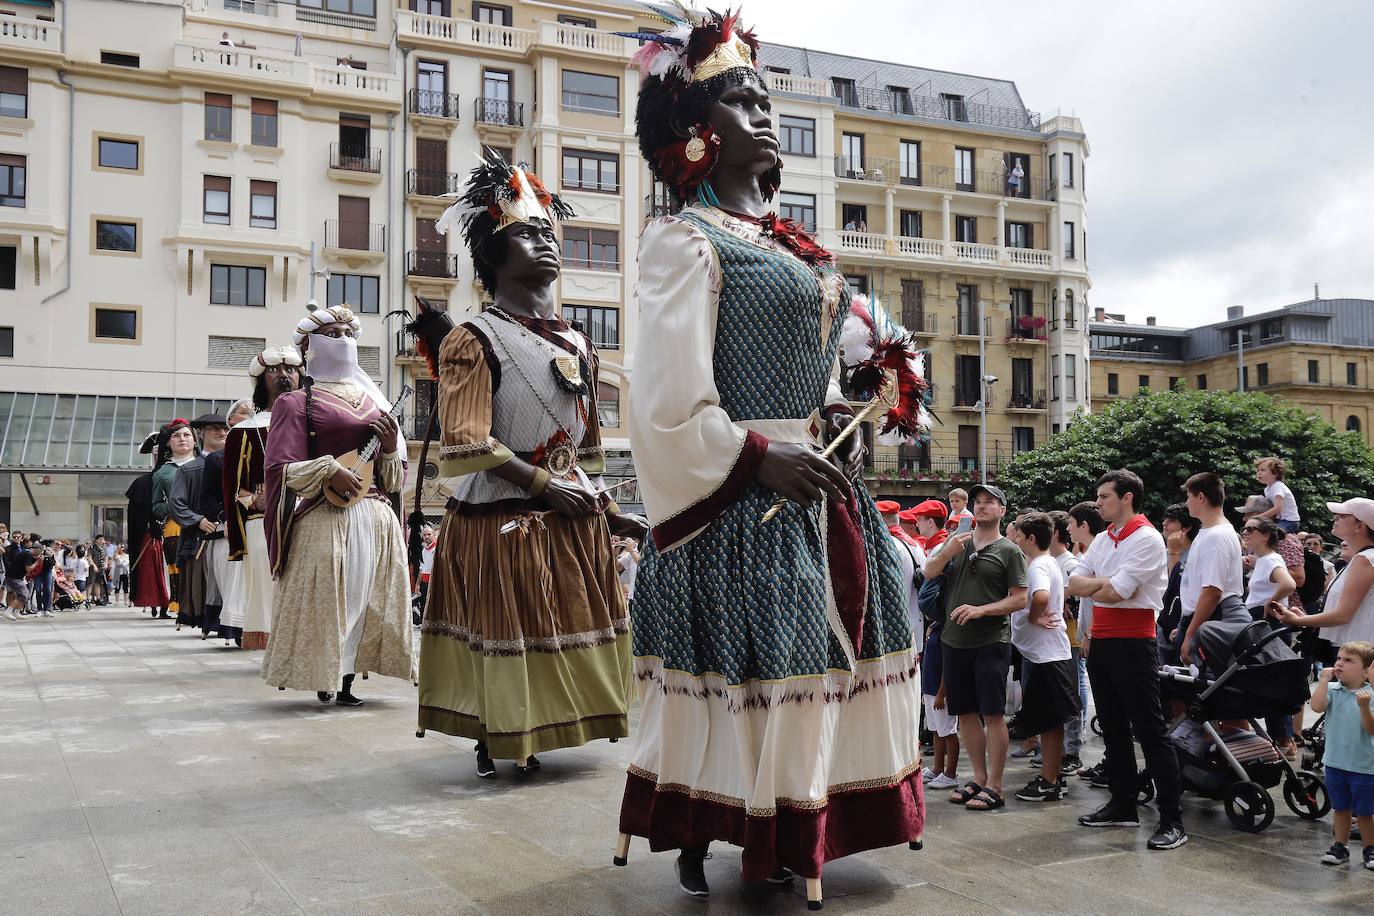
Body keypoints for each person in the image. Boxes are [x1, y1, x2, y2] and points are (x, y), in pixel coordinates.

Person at [614, 13, 924, 900]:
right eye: (743, 101)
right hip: (745, 494)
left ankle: (808, 822)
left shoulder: (796, 248)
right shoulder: (686, 241)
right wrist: (756, 458)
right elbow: (667, 390)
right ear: (700, 134)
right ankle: (726, 826)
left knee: (835, 659)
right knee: (760, 663)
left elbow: (827, 359)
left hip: (820, 486)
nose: (764, 113)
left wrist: (848, 403)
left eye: (763, 97)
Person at [418, 152, 640, 778]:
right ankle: (499, 732)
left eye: (548, 233)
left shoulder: (580, 343)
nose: (545, 244)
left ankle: (549, 723)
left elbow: (587, 451)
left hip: (571, 525)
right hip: (501, 523)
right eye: (525, 234)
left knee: (555, 632)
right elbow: (465, 443)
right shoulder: (472, 337)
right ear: (491, 252)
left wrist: (613, 512)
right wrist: (544, 485)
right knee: (506, 634)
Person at [262, 306, 416, 704]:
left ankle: (348, 679)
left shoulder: (373, 401)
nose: (344, 338)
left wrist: (386, 448)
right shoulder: (295, 403)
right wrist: (328, 469)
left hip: (376, 515)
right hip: (325, 515)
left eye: (349, 331)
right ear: (309, 344)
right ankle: (324, 675)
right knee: (332, 599)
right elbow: (280, 467)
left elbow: (393, 475)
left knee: (367, 598)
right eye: (332, 332)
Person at [1068, 469, 1186, 850]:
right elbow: (1075, 584)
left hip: (1134, 642)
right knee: (1114, 728)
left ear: (1127, 498)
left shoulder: (1148, 538)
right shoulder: (1104, 538)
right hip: (1102, 641)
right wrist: (1102, 585)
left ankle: (1172, 818)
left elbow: (1117, 592)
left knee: (1149, 729)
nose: (1098, 503)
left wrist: (1099, 585)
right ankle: (1123, 803)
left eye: (1105, 497)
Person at [924, 483, 1028, 812]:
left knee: (992, 714)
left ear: (1002, 511)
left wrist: (981, 609)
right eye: (978, 502)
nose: (982, 507)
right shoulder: (957, 543)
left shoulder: (1009, 551)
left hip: (990, 641)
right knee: (965, 712)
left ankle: (996, 784)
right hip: (953, 640)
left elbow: (1020, 598)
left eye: (990, 502)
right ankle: (979, 777)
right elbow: (928, 572)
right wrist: (948, 552)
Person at [223, 345, 304, 649]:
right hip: (262, 520)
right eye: (274, 370)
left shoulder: (314, 422)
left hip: (311, 514)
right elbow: (233, 486)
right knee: (269, 587)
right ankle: (277, 648)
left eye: (290, 369)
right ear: (261, 380)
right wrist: (252, 500)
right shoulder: (243, 432)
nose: (283, 375)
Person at [1007, 512, 1077, 801]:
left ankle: (1049, 780)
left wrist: (1034, 618)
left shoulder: (1038, 566)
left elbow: (1041, 597)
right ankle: (1053, 777)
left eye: (1019, 535)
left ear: (1031, 538)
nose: (1016, 539)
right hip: (1046, 653)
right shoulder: (1047, 563)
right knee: (1051, 721)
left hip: (1046, 656)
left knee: (1049, 721)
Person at [1278, 498, 1374, 651]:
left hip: (1358, 653)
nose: (1335, 518)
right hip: (1355, 651)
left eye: (1343, 516)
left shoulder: (1365, 559)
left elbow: (1342, 615)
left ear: (1360, 526)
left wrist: (1301, 619)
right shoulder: (1362, 558)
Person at [1310, 642, 1374, 869]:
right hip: (1335, 762)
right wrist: (1324, 681)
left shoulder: (1370, 694)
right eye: (1339, 658)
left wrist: (1365, 707)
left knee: (1365, 813)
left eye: (1349, 660)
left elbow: (1371, 729)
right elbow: (1316, 707)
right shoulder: (1333, 690)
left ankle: (1370, 848)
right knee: (1341, 808)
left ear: (1365, 670)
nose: (1339, 663)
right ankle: (1340, 846)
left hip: (1364, 765)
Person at [1176, 472, 1245, 665]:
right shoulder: (1209, 531)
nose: (1187, 503)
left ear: (1201, 497)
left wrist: (1190, 634)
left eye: (1188, 497)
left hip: (1215, 617)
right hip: (1203, 618)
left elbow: (1212, 591)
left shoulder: (1217, 535)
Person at [198, 400, 254, 642]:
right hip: (229, 528)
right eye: (244, 412)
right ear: (231, 420)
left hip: (258, 522)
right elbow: (207, 497)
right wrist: (226, 518)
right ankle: (236, 627)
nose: (250, 414)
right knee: (231, 578)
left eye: (254, 411)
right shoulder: (217, 459)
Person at [169, 413, 230, 631]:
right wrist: (198, 520)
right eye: (215, 428)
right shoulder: (189, 469)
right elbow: (176, 504)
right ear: (201, 433)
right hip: (201, 539)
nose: (221, 432)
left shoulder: (237, 464)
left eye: (225, 428)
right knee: (205, 586)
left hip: (233, 534)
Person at [1049, 509, 1087, 775]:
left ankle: (1072, 751)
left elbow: (1076, 596)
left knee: (1071, 693)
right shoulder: (1053, 561)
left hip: (1069, 638)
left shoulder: (1068, 562)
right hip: (1055, 638)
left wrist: (1062, 596)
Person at [150, 420, 197, 619]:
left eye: (187, 435)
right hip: (175, 527)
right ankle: (180, 605)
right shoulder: (162, 472)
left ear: (195, 440)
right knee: (177, 569)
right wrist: (176, 506)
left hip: (206, 524)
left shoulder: (207, 463)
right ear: (168, 443)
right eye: (176, 436)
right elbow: (156, 506)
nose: (182, 439)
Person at [1255, 456, 1301, 534]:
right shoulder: (1267, 489)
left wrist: (1259, 517)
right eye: (1258, 470)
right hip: (1279, 520)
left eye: (1263, 470)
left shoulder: (1278, 487)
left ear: (1275, 473)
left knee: (1273, 533)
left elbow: (1277, 508)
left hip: (1289, 521)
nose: (1259, 473)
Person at [4, 533, 34, 621]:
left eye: (18, 537)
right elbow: (7, 562)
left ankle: (16, 612)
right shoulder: (9, 548)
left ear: (21, 538)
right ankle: (9, 611)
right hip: (13, 574)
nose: (16, 538)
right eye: (14, 537)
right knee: (11, 592)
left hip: (20, 575)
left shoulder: (24, 549)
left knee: (24, 594)